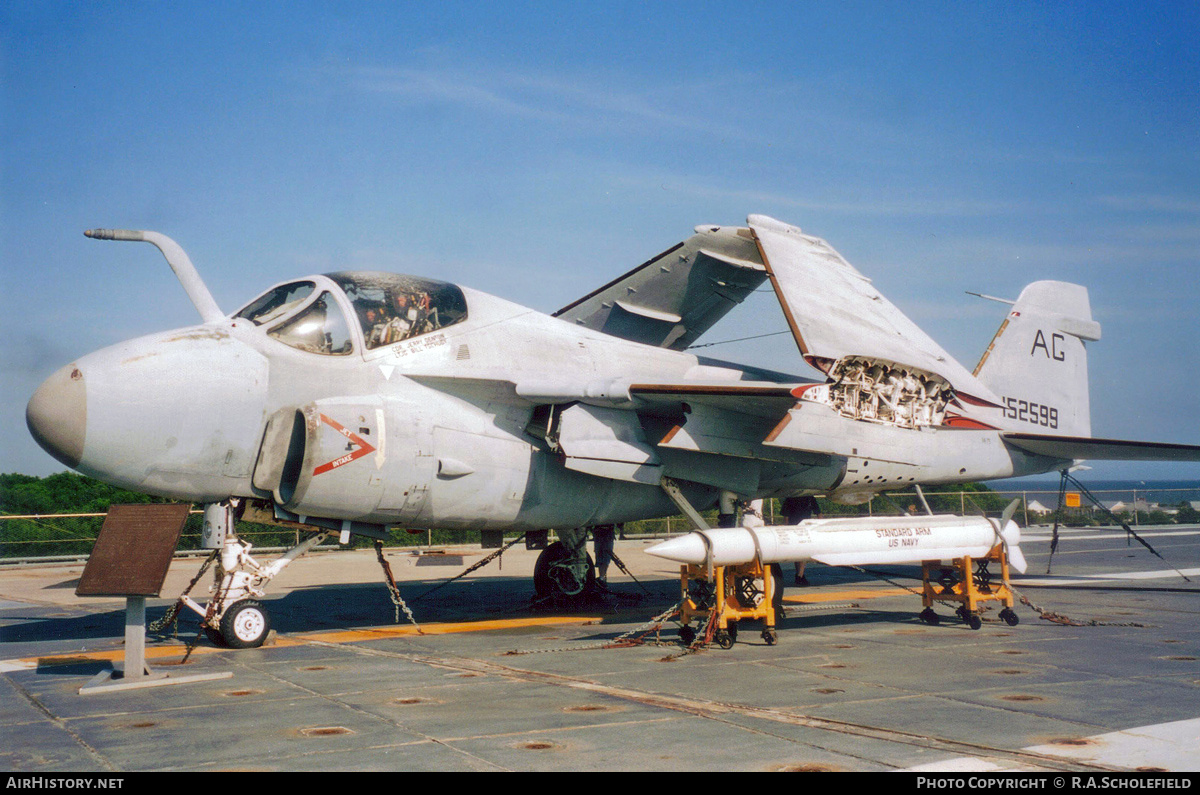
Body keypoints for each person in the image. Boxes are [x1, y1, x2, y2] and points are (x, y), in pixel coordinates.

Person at [782, 495, 820, 585]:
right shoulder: (810, 498)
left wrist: (786, 528)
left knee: (798, 553)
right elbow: (819, 513)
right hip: (804, 528)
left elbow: (786, 516)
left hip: (795, 527)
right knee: (803, 552)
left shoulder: (790, 497)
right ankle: (800, 575)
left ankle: (799, 575)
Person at [592, 524, 615, 589]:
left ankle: (602, 577)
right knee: (600, 556)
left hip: (607, 532)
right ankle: (602, 577)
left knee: (605, 557)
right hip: (599, 532)